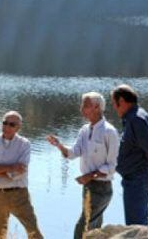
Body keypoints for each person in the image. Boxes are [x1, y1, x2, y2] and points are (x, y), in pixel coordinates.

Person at [47, 92, 120, 239]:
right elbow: (72, 153)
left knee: (82, 228)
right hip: (88, 187)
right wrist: (59, 145)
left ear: (97, 107)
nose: (81, 109)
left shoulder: (110, 132)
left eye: (85, 105)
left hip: (102, 188)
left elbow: (112, 166)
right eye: (82, 105)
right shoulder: (84, 130)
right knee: (94, 231)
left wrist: (90, 176)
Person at [0, 111, 43, 239]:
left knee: (33, 231)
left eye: (11, 124)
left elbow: (19, 173)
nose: (7, 127)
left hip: (19, 195)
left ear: (18, 127)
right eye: (5, 123)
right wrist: (11, 168)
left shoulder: (24, 144)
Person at [110, 84, 148, 226]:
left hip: (138, 180)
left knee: (136, 227)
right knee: (139, 224)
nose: (114, 108)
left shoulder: (136, 119)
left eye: (114, 104)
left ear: (121, 101)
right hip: (137, 179)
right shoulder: (137, 116)